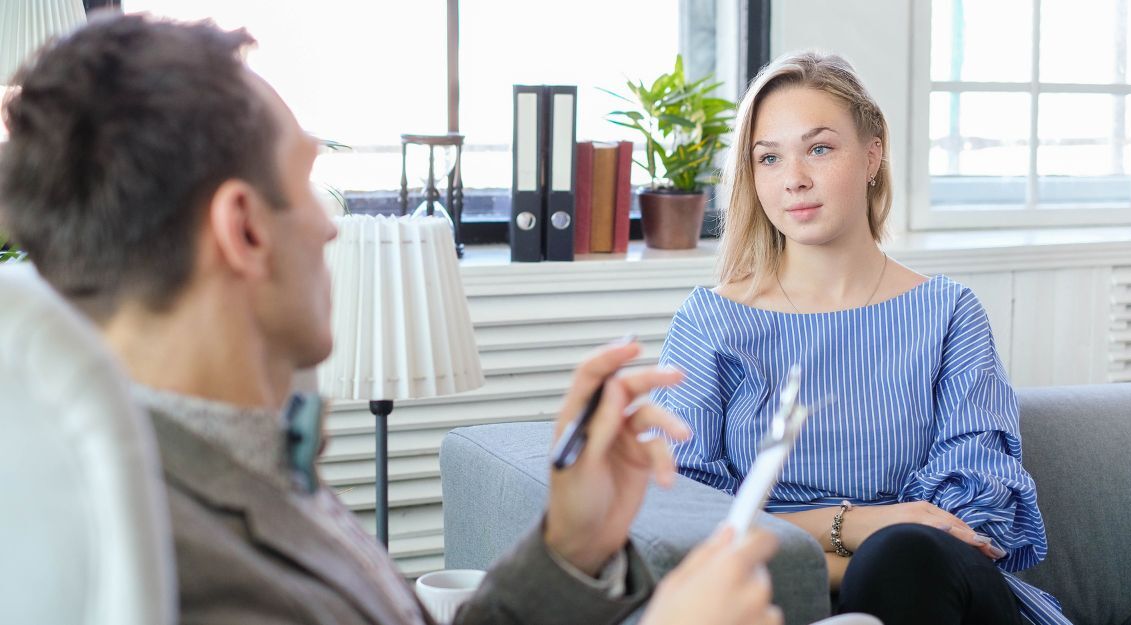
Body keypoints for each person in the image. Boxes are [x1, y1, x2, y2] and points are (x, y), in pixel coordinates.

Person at [0, 14, 785, 625]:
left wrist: (571, 545)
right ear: (243, 229)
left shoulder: (225, 451)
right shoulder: (169, 562)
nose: (329, 226)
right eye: (308, 182)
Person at [650, 51, 1071, 625]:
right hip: (781, 597)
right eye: (768, 157)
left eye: (819, 148)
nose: (794, 177)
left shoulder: (947, 313)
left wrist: (833, 539)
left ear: (872, 154)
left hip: (945, 591)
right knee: (897, 550)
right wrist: (858, 528)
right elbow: (686, 520)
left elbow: (976, 520)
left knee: (907, 555)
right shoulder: (712, 323)